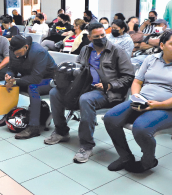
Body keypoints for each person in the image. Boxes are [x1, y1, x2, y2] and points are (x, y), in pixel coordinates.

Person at [103, 30, 172, 173]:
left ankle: (148, 161)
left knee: (141, 128)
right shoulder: (151, 59)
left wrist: (159, 105)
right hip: (143, 101)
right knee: (110, 118)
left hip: (170, 109)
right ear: (162, 45)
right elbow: (137, 81)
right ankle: (125, 157)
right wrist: (137, 97)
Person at [46, 23, 135, 162]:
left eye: (103, 35)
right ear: (89, 37)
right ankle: (61, 131)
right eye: (97, 36)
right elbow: (79, 69)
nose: (101, 38)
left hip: (108, 92)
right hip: (85, 87)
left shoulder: (117, 51)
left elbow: (129, 77)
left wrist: (110, 85)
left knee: (85, 100)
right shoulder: (86, 50)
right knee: (54, 93)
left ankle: (86, 145)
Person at [0, 35, 57, 139]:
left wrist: (15, 81)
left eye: (19, 54)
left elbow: (35, 79)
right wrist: (9, 76)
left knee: (33, 87)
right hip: (30, 77)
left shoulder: (39, 52)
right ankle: (8, 115)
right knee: (8, 84)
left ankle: (34, 128)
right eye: (15, 54)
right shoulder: (13, 50)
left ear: (26, 47)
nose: (17, 56)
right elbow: (12, 68)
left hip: (49, 80)